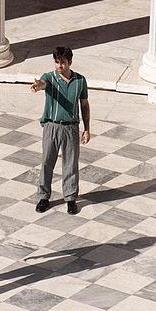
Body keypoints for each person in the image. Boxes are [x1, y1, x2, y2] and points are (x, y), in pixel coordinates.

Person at [30, 46, 91, 214]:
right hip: (52, 126)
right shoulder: (49, 77)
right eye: (57, 62)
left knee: (71, 164)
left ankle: (70, 198)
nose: (59, 66)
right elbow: (42, 84)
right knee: (47, 162)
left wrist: (87, 129)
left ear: (70, 62)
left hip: (71, 127)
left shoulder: (80, 81)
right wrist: (38, 85)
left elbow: (84, 105)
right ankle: (43, 197)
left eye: (62, 63)